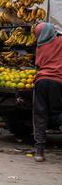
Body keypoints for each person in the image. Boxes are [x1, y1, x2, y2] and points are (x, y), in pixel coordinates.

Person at [33, 22, 62, 162]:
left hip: (40, 81)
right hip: (58, 81)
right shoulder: (60, 41)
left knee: (40, 115)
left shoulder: (40, 47)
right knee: (56, 113)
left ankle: (39, 151)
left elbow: (38, 65)